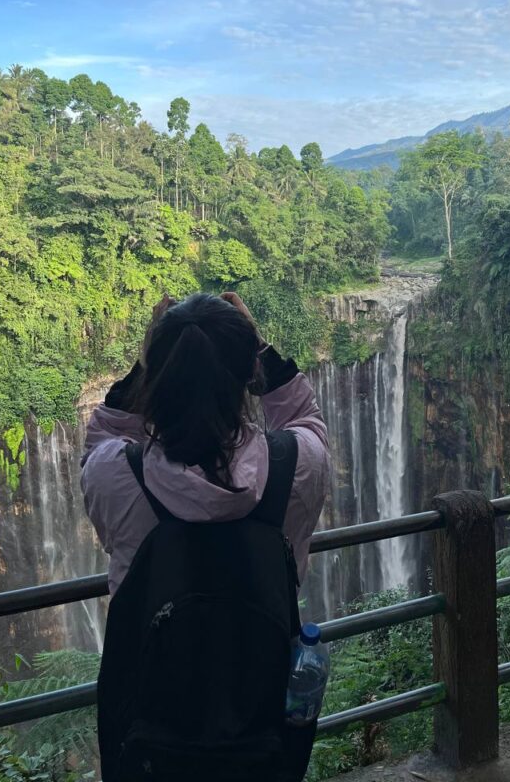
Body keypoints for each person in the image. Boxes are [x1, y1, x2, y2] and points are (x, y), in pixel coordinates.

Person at [81, 292, 330, 782]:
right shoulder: (296, 469)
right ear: (248, 378)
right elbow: (307, 421)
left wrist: (147, 362)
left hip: (153, 741)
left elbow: (103, 437)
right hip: (261, 737)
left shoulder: (116, 477)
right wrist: (261, 351)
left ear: (158, 381)